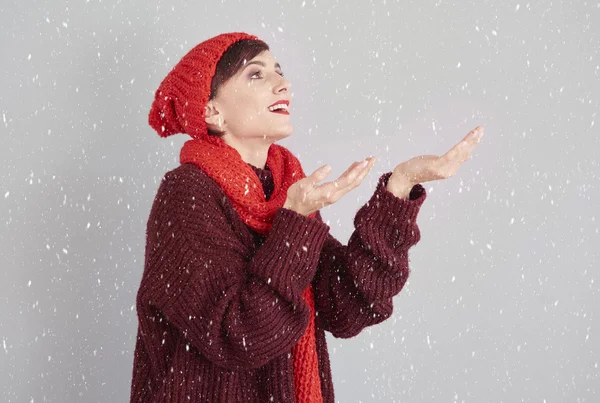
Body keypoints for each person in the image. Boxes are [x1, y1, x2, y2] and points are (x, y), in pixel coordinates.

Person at [129, 32, 483, 403]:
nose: (283, 84)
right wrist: (295, 222)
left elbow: (349, 305)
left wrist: (400, 187)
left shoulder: (284, 190)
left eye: (279, 71)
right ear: (211, 111)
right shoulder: (188, 193)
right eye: (256, 74)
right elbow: (239, 334)